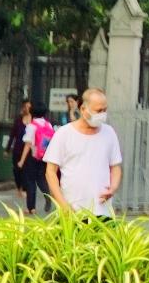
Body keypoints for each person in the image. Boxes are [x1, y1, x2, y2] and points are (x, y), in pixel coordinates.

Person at [44, 86, 125, 216]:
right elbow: (50, 172)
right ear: (83, 109)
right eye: (98, 111)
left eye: (105, 110)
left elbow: (115, 166)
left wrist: (113, 188)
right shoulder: (64, 134)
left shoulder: (109, 133)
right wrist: (63, 204)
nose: (102, 114)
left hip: (103, 212)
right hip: (72, 211)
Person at [7, 99, 53, 213]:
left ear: (32, 112)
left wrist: (21, 160)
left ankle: (31, 208)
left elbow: (27, 144)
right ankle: (48, 196)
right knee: (42, 179)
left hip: (32, 157)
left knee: (30, 182)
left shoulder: (32, 126)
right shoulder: (48, 125)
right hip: (44, 157)